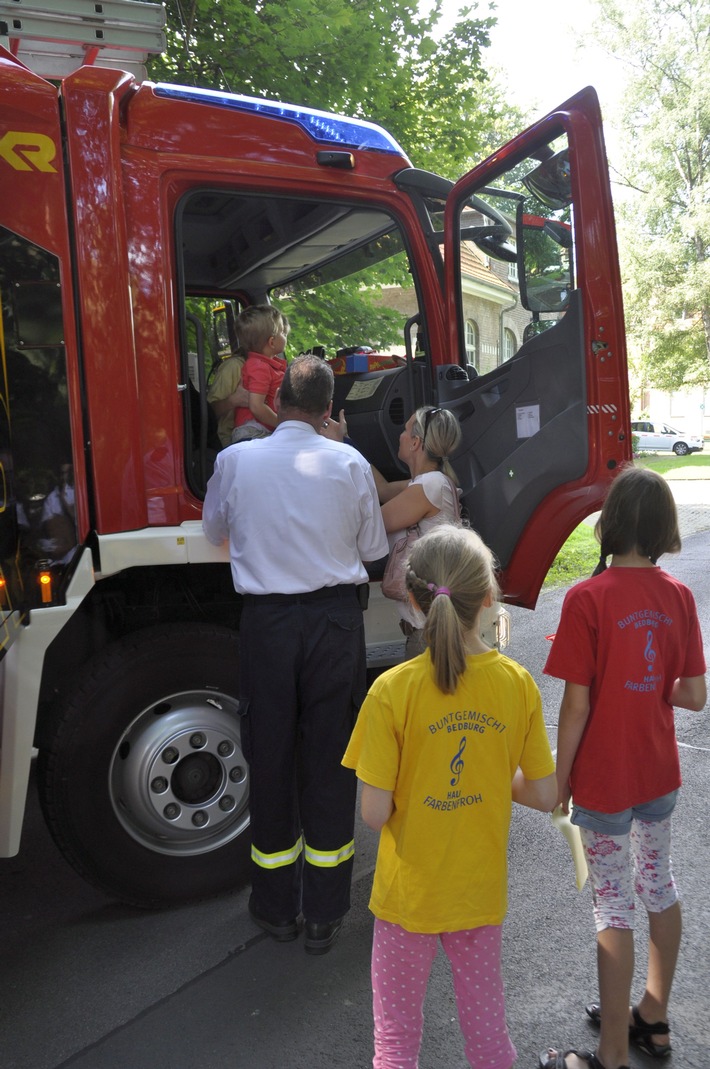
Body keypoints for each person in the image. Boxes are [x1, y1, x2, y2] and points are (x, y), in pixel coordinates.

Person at [342, 524, 557, 1069]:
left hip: (406, 897)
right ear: (488, 597)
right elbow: (543, 791)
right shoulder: (516, 683)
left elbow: (374, 812)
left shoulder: (390, 691)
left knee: (395, 1043)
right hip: (477, 894)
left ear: (413, 600)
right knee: (487, 1037)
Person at [202, 355, 389, 955]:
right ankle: (325, 913)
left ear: (278, 400)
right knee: (332, 760)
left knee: (272, 753)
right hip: (335, 623)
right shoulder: (350, 463)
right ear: (329, 410)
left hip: (268, 625)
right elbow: (372, 547)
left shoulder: (234, 461)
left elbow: (214, 533)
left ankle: (276, 907)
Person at [540, 465, 706, 1069]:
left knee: (612, 905)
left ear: (609, 526)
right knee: (658, 885)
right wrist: (650, 686)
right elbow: (693, 696)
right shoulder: (678, 596)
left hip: (606, 781)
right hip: (657, 773)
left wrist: (560, 783)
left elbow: (576, 706)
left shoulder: (588, 598)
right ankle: (653, 1018)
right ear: (665, 530)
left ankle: (610, 1053)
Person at [374, 406, 463, 657]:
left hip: (426, 631)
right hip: (430, 626)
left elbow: (372, 523)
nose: (400, 434)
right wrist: (346, 444)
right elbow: (382, 489)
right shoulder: (431, 481)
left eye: (405, 429)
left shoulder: (429, 486)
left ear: (415, 443)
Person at [231, 305, 289, 442]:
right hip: (253, 432)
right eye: (282, 332)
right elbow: (256, 406)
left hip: (261, 429)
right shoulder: (259, 367)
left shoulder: (268, 365)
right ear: (272, 342)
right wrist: (284, 425)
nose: (285, 335)